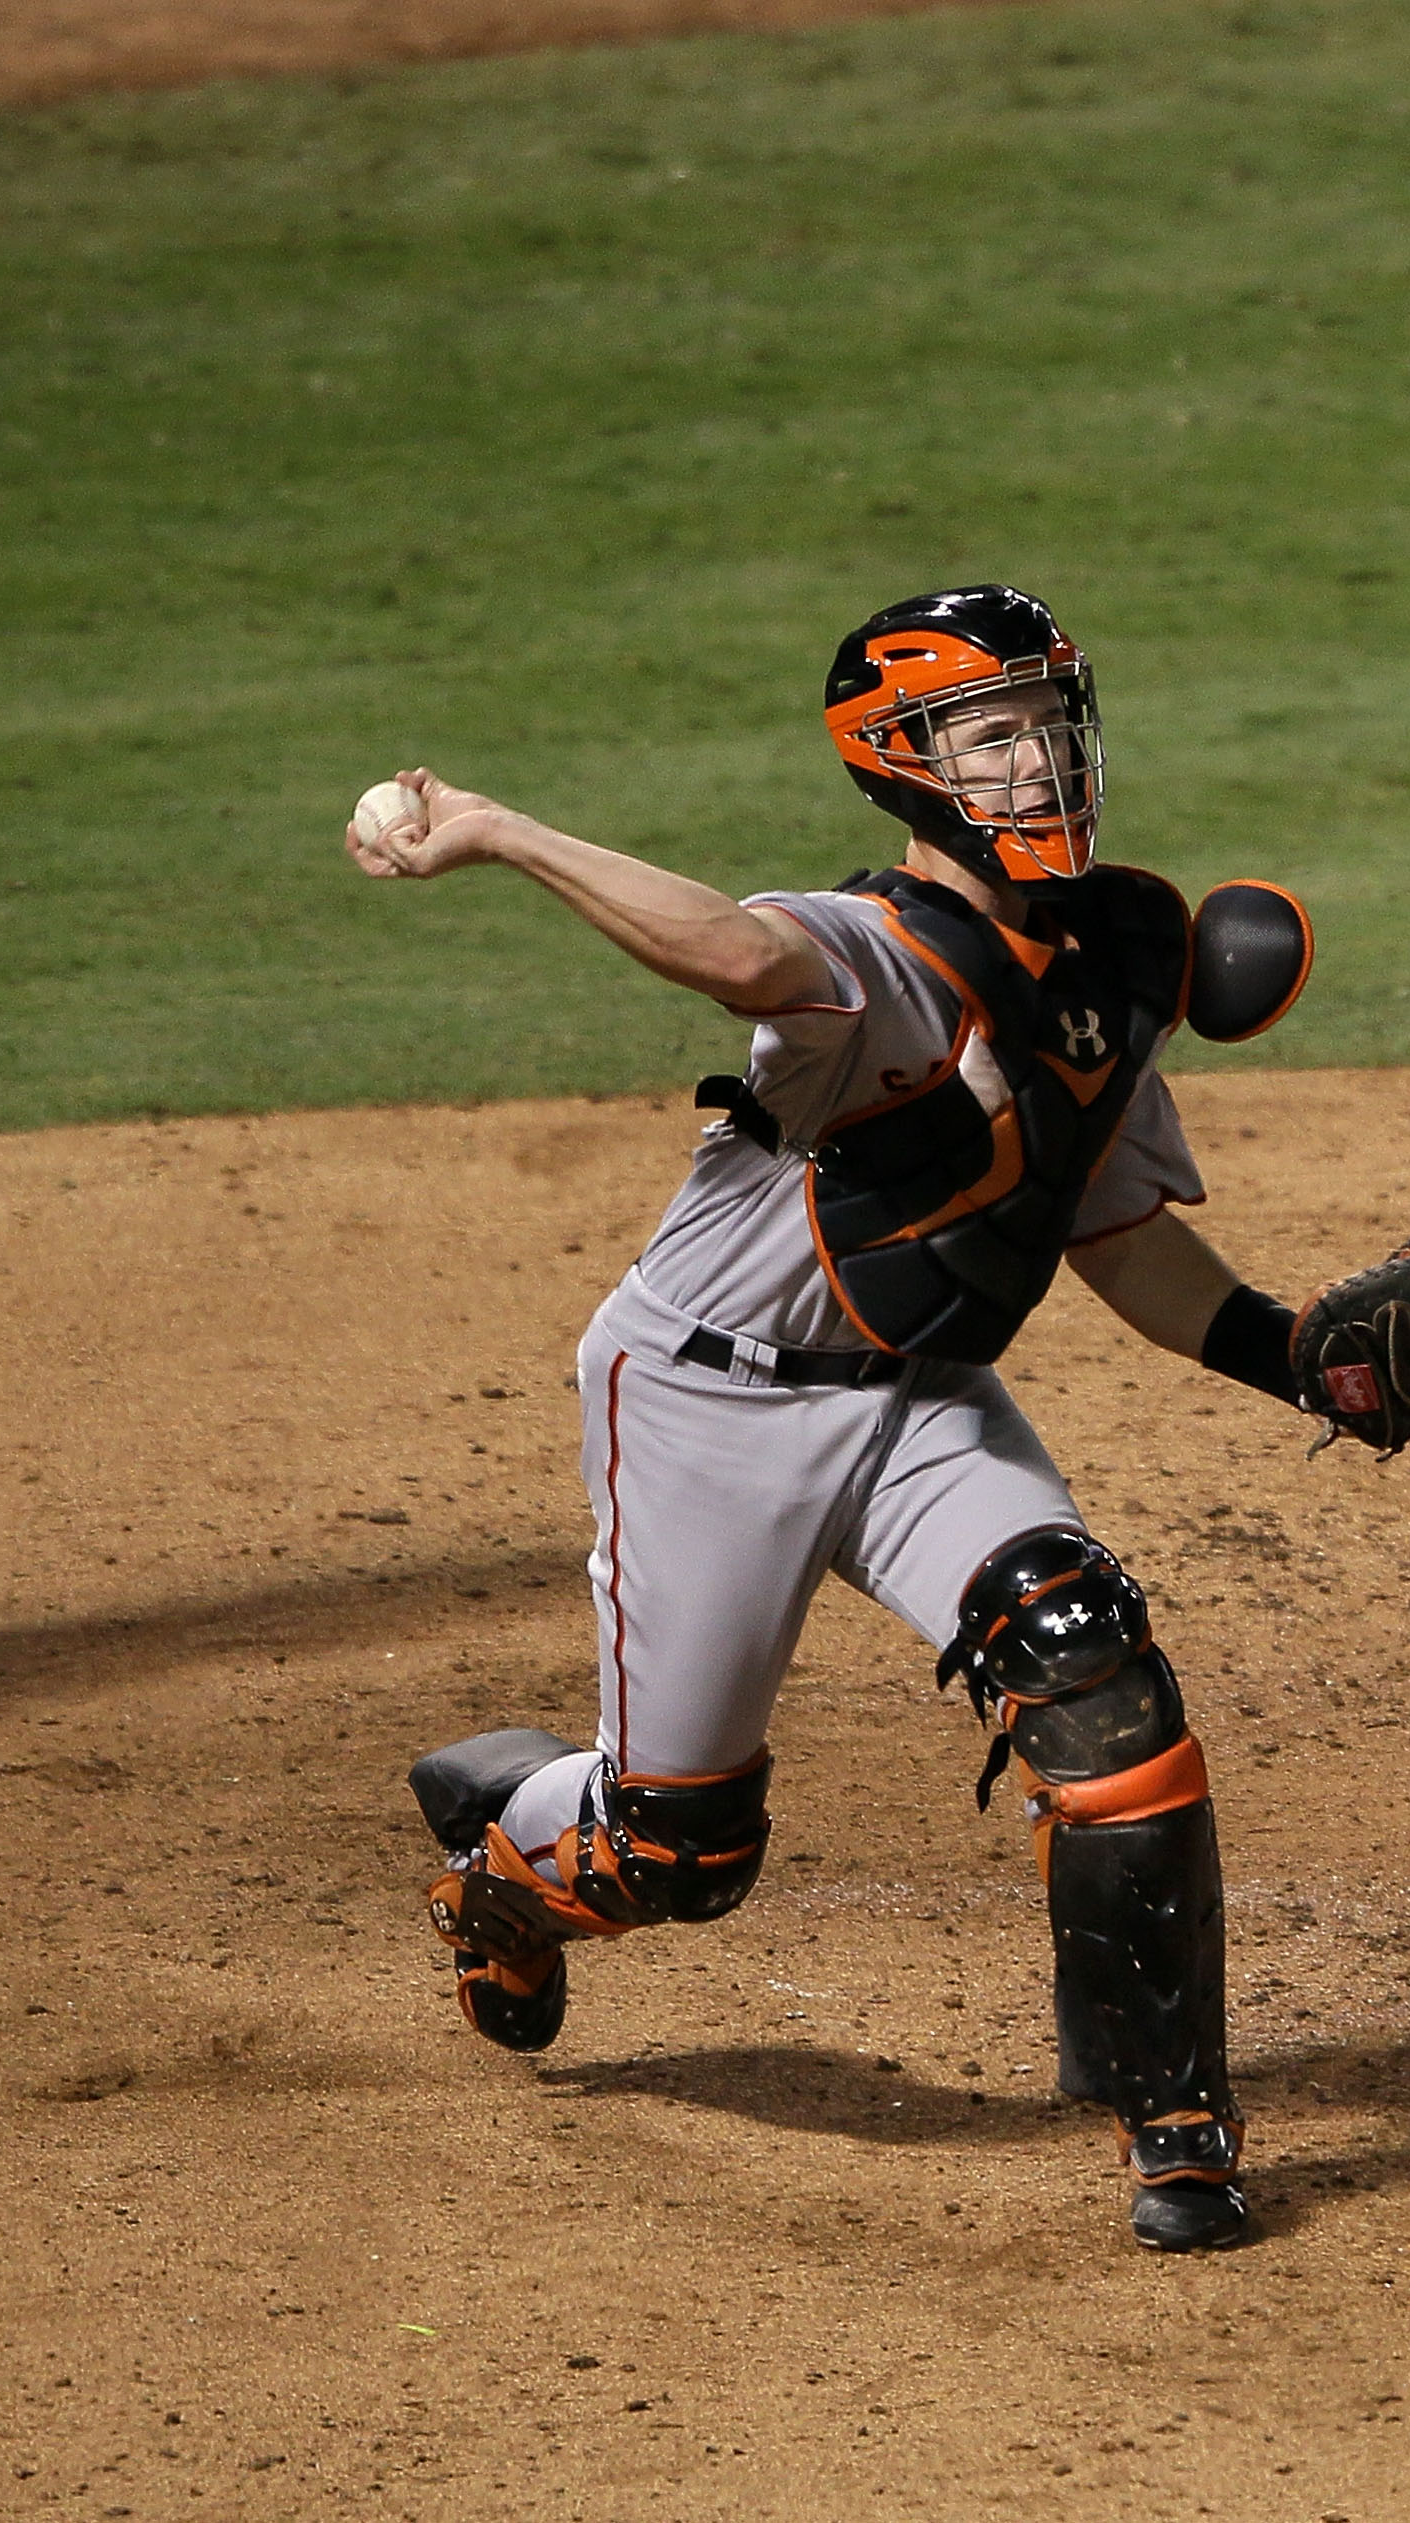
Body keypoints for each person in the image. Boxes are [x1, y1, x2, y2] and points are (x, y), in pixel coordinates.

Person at [351, 584, 1351, 2253]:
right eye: (989, 736)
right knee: (676, 1854)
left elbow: (1105, 1222)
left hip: (917, 1403)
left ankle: (1173, 2117)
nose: (1038, 763)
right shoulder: (870, 953)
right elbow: (741, 954)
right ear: (903, 769)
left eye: (1047, 722)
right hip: (704, 1402)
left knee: (1090, 1659)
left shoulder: (1111, 952)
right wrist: (501, 831)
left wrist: (1291, 1353)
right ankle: (503, 1858)